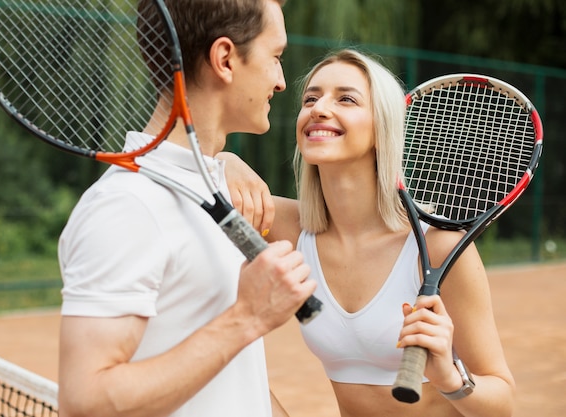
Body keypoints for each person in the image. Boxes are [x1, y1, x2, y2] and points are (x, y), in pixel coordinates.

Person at [56, 1, 316, 417]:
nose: (282, 81)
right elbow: (85, 400)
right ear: (226, 59)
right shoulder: (127, 206)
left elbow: (222, 378)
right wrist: (247, 318)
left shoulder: (214, 183)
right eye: (276, 57)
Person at [222, 48, 515, 417]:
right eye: (310, 98)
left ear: (383, 129)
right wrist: (223, 161)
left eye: (346, 98)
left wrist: (452, 378)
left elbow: (503, 402)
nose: (319, 108)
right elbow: (191, 183)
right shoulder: (286, 227)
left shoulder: (437, 246)